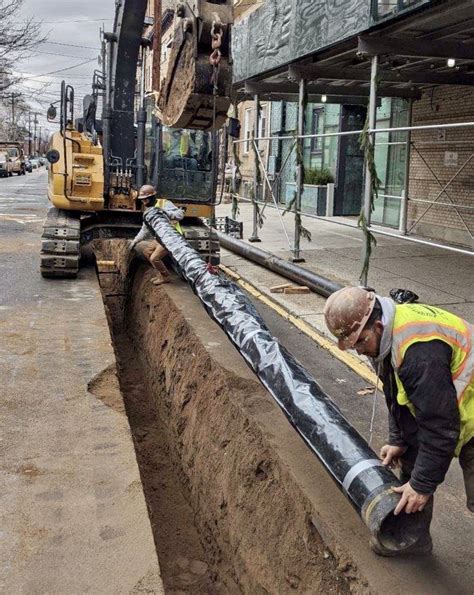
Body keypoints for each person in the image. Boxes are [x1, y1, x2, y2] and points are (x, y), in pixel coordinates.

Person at [324, 286, 474, 555]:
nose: (358, 351)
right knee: (412, 455)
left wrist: (422, 486)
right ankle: (412, 541)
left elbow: (441, 427)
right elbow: (396, 393)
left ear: (378, 326)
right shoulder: (384, 341)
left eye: (360, 342)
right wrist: (398, 439)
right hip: (448, 401)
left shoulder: (418, 351)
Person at [129, 184, 184, 286]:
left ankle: (166, 277)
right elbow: (144, 230)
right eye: (142, 200)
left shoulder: (164, 204)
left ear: (152, 197)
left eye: (146, 199)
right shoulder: (148, 211)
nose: (144, 202)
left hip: (173, 238)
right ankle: (161, 274)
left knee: (154, 258)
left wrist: (166, 213)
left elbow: (180, 214)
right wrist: (135, 241)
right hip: (161, 238)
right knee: (147, 252)